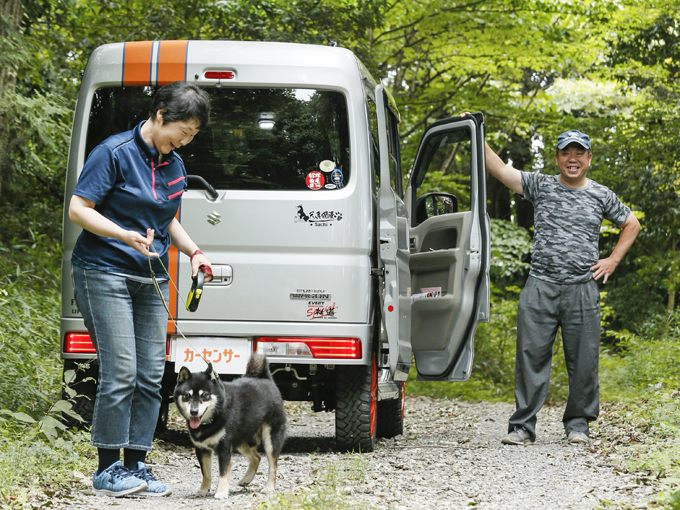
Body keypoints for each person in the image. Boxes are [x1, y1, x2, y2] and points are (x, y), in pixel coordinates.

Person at [68, 81, 213, 496]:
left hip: (150, 278)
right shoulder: (113, 153)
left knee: (151, 375)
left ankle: (137, 465)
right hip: (104, 271)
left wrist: (194, 253)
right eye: (181, 132)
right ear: (161, 115)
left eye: (191, 137)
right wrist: (124, 234)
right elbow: (80, 208)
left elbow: (166, 217)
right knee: (122, 371)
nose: (183, 142)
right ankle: (107, 469)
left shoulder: (175, 166)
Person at [482, 128, 640, 446]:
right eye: (566, 152)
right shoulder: (540, 185)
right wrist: (476, 131)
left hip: (582, 287)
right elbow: (500, 170)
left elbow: (631, 223)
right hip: (540, 283)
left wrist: (612, 260)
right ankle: (523, 426)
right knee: (531, 355)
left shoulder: (601, 194)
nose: (572, 159)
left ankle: (578, 425)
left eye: (579, 153)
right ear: (556, 158)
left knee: (584, 360)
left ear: (589, 159)